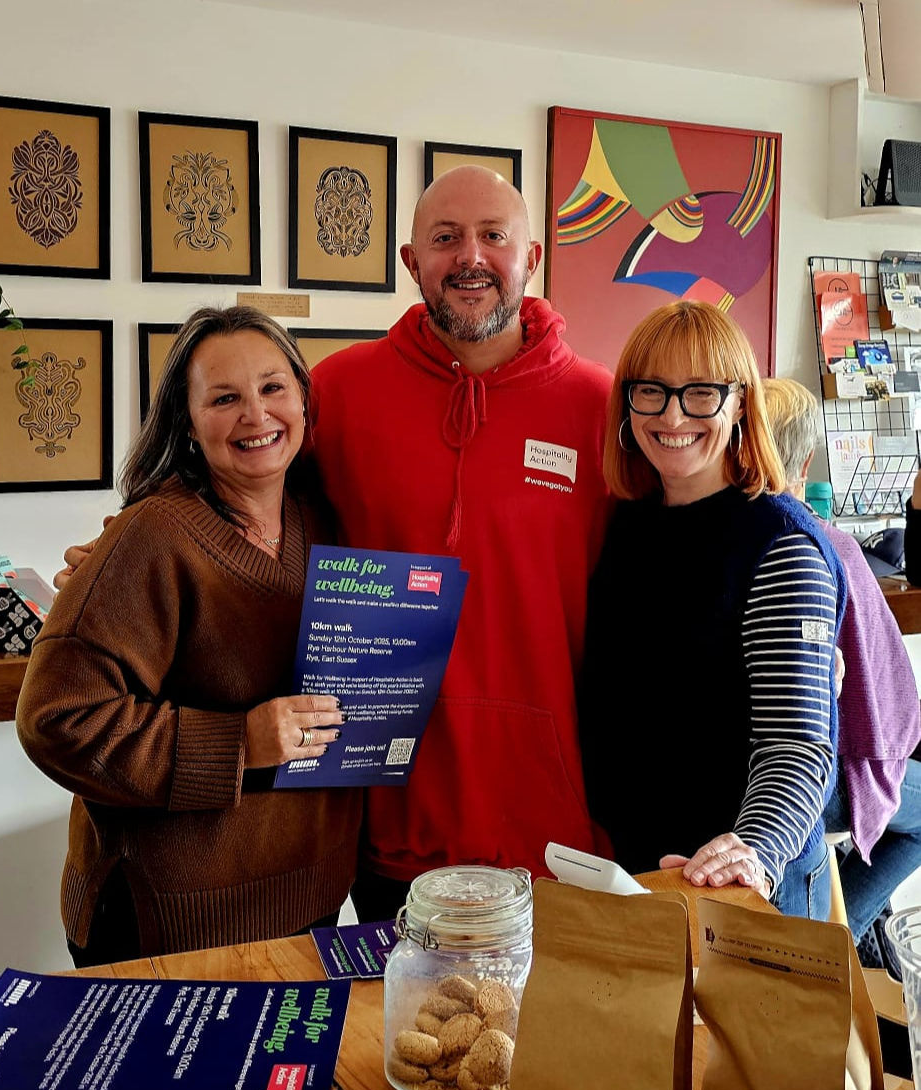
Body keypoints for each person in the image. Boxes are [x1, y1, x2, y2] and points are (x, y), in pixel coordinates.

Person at [57, 167, 612, 923]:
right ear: (412, 261)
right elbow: (238, 484)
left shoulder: (599, 405)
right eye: (445, 238)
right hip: (376, 818)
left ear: (532, 256)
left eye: (494, 236)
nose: (470, 257)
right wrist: (114, 560)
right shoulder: (343, 391)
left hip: (553, 829)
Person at [18, 307, 361, 966]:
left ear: (303, 398)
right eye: (224, 398)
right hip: (169, 924)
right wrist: (240, 744)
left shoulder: (327, 522)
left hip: (312, 906)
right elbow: (56, 719)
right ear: (188, 422)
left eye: (272, 387)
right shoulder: (152, 535)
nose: (256, 415)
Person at [581, 302, 847, 920]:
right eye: (652, 391)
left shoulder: (780, 545)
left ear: (741, 404)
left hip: (741, 887)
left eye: (701, 393)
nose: (673, 416)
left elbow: (797, 747)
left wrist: (753, 851)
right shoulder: (630, 525)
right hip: (639, 870)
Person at [764, 378, 921, 968]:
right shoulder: (826, 545)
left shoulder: (740, 535)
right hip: (818, 777)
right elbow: (887, 696)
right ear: (806, 461)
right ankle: (841, 939)